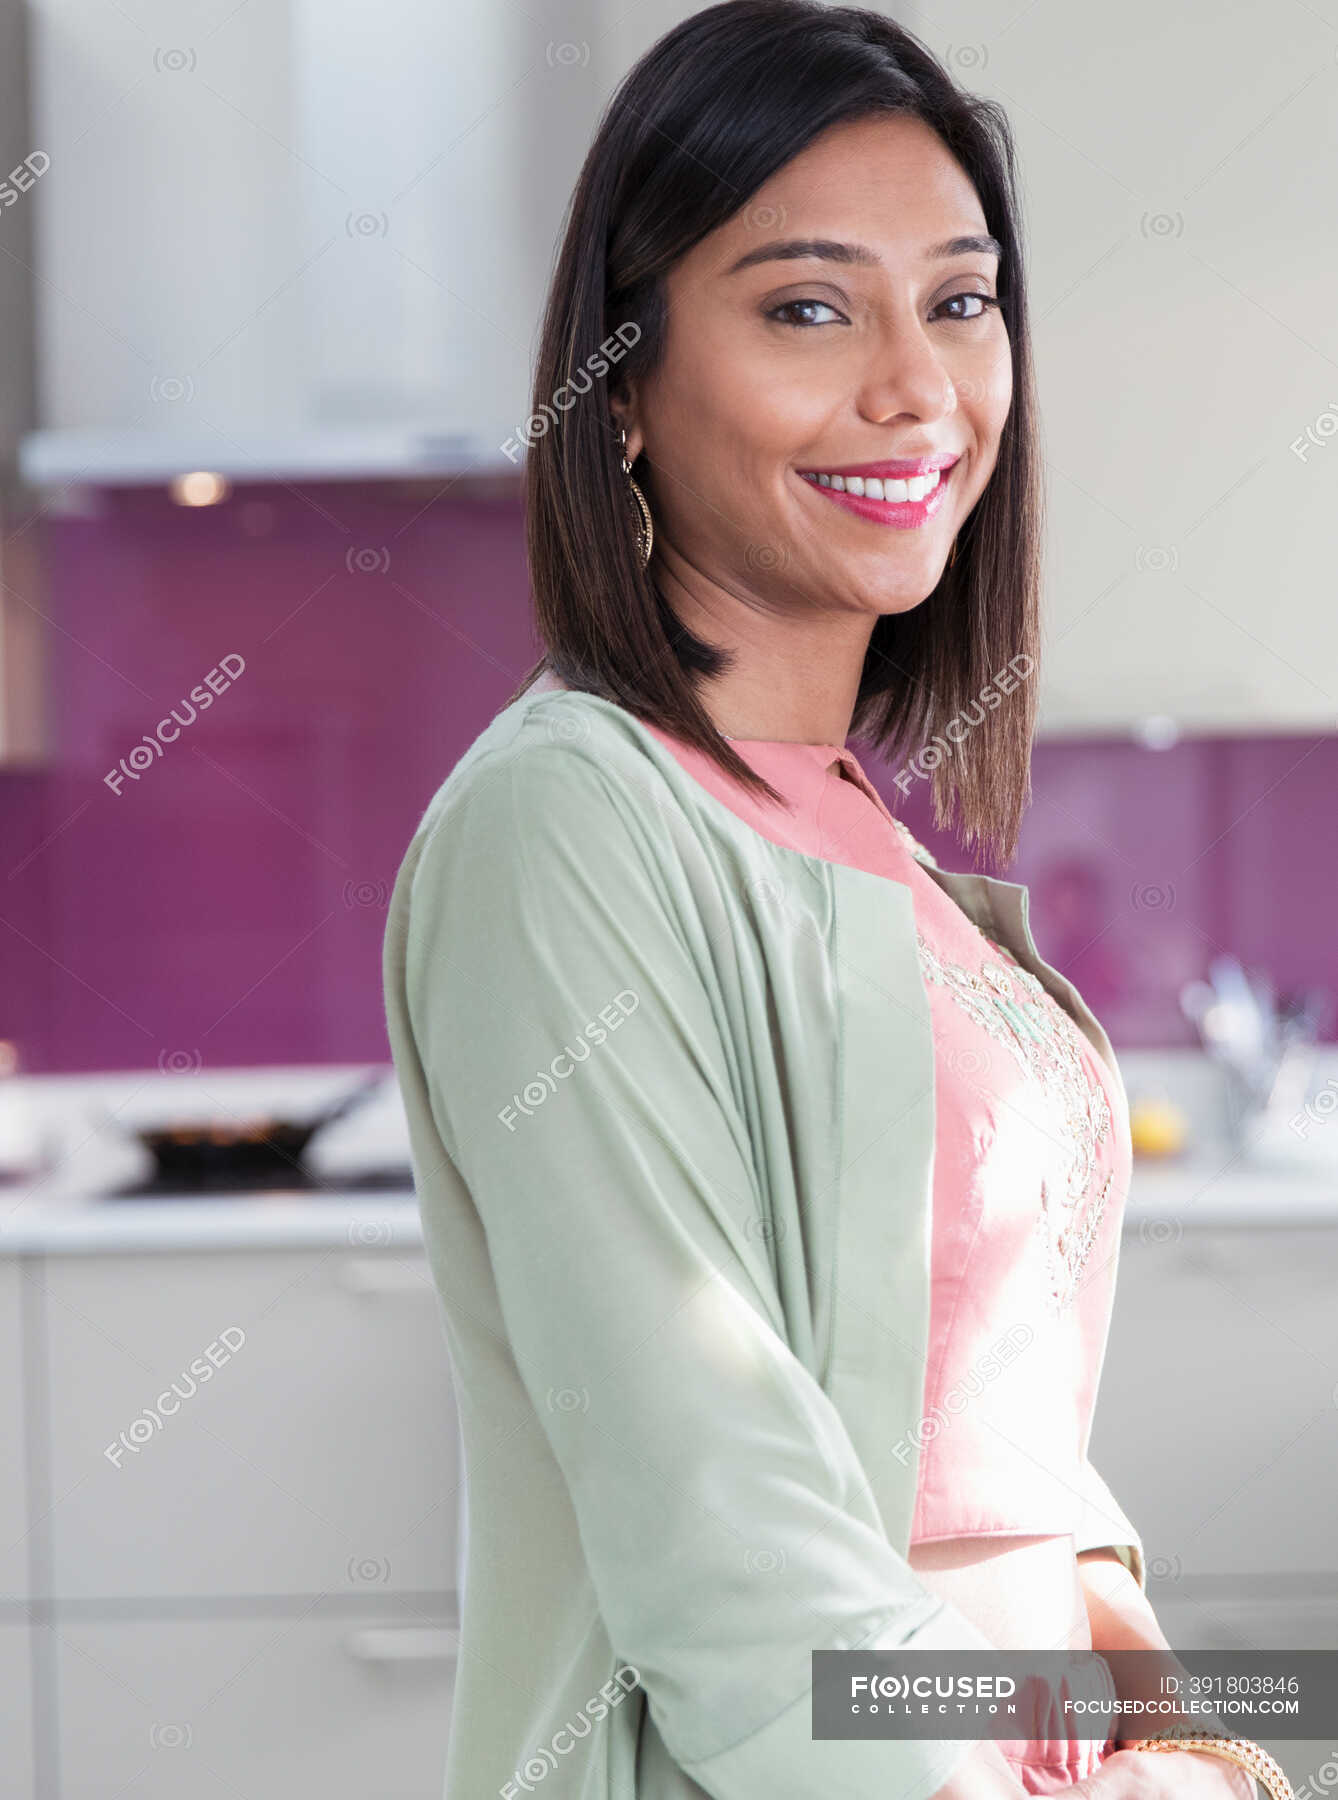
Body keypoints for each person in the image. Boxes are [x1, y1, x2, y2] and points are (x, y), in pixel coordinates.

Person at [382, 6, 1257, 1798]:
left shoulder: (866, 838)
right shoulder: (570, 823)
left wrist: (1177, 1714)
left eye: (956, 298)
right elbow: (725, 1534)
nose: (913, 386)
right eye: (804, 307)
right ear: (619, 390)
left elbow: (960, 1415)